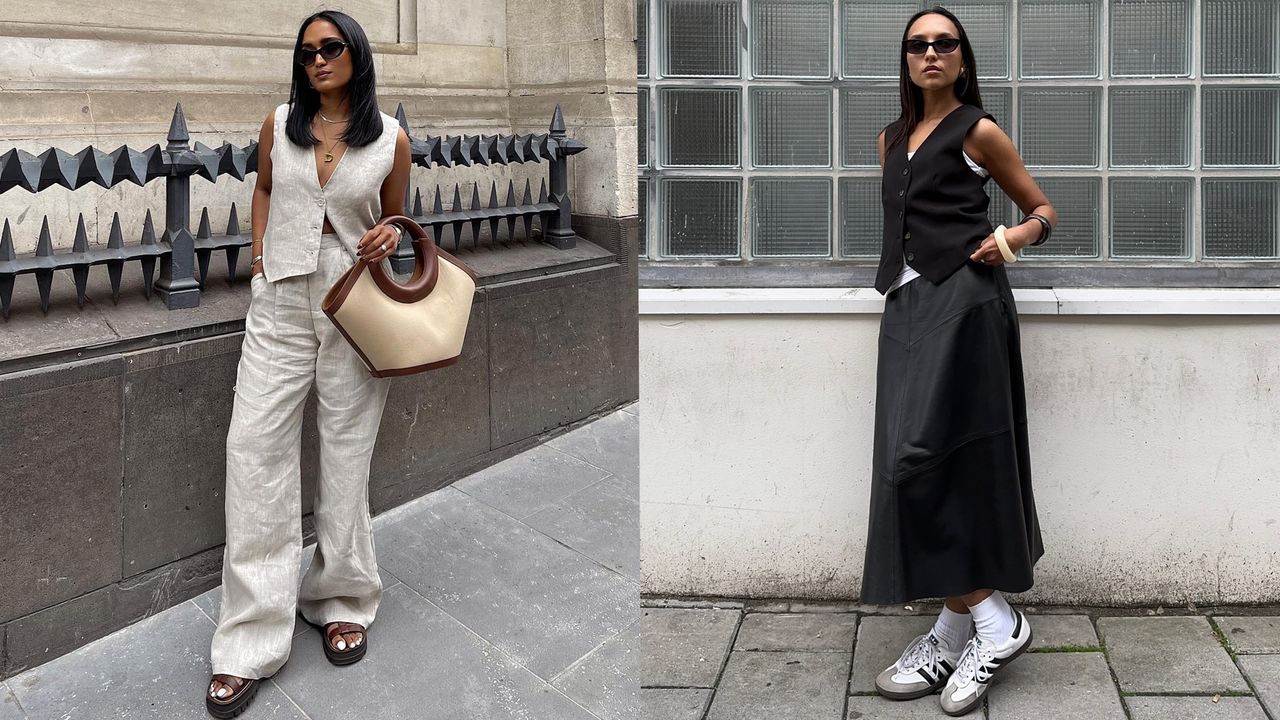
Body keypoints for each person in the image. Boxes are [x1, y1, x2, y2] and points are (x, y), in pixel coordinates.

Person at [205, 9, 411, 718]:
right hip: (282, 298)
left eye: (330, 49)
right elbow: (263, 187)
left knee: (347, 454)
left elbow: (395, 221)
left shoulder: (389, 140)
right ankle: (248, 640)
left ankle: (341, 596)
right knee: (253, 447)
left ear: (356, 54)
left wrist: (385, 239)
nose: (317, 61)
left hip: (352, 299)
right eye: (307, 53)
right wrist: (259, 259)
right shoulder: (280, 123)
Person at [860, 6, 1058, 717]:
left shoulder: (978, 131)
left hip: (968, 307)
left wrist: (1005, 241)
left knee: (932, 457)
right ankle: (960, 625)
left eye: (945, 43)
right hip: (907, 309)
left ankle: (993, 623)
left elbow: (1043, 210)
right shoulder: (886, 138)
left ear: (962, 59)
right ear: (906, 59)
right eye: (918, 45)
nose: (931, 53)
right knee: (915, 461)